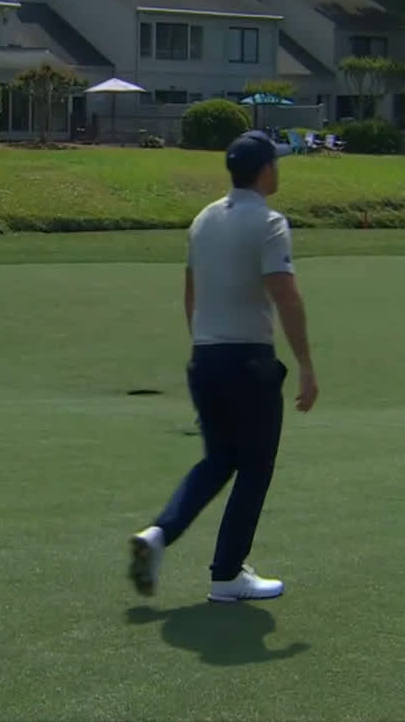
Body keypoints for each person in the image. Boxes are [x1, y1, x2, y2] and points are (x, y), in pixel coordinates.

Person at [129, 129, 320, 603]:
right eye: (276, 162)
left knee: (219, 460)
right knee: (255, 466)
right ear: (264, 170)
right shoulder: (270, 222)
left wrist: (204, 346)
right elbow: (285, 295)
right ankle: (226, 575)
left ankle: (158, 535)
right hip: (249, 361)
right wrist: (306, 364)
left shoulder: (203, 220)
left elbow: (190, 292)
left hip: (206, 357)